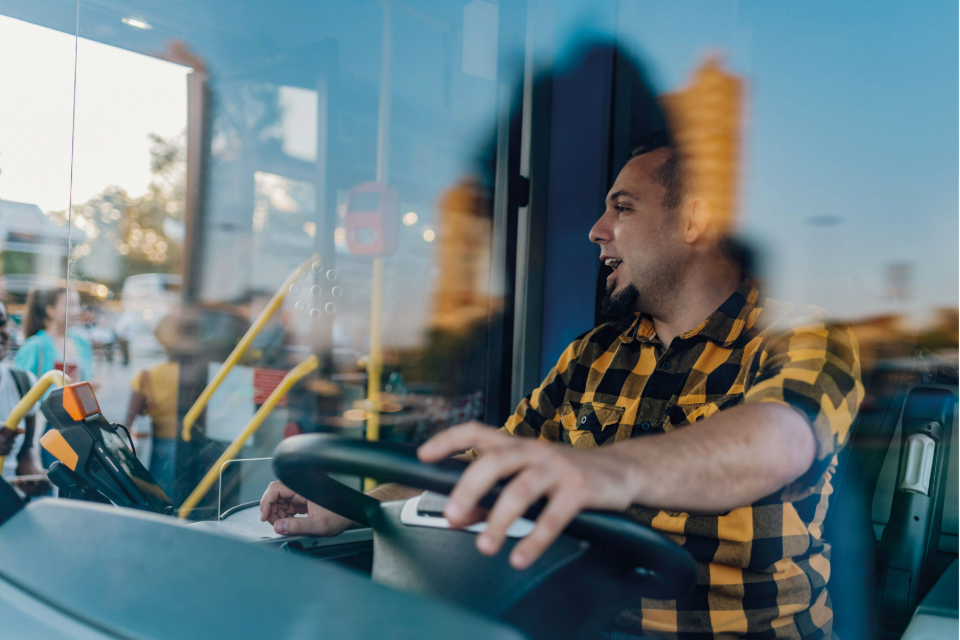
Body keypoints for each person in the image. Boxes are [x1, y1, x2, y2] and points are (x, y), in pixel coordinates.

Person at [260, 133, 863, 639]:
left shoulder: (800, 336)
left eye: (622, 208)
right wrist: (352, 503)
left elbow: (778, 439)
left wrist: (604, 471)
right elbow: (480, 466)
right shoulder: (592, 355)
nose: (598, 230)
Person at [15, 287, 97, 468]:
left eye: (77, 304)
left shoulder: (82, 342)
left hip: (81, 426)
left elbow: (87, 379)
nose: (76, 310)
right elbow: (19, 392)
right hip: (51, 427)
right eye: (69, 305)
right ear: (50, 310)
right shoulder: (35, 345)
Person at [124, 312, 180, 498]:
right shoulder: (197, 375)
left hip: (159, 443)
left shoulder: (147, 375)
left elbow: (128, 420)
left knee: (160, 496)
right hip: (192, 443)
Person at [0, 300, 46, 496]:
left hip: (11, 507)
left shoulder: (23, 381)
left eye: (1, 322)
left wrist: (33, 473)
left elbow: (27, 447)